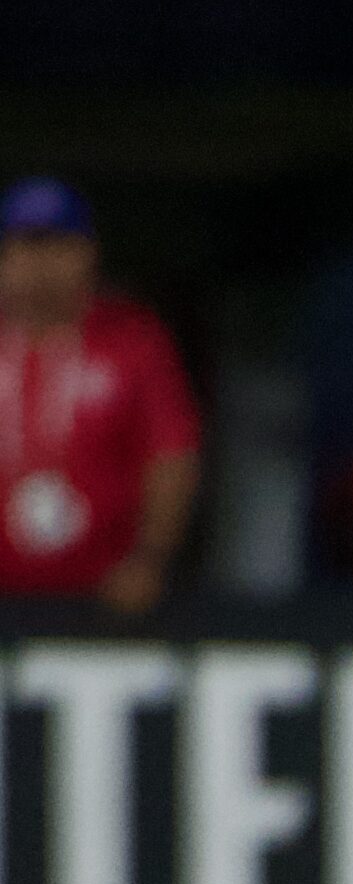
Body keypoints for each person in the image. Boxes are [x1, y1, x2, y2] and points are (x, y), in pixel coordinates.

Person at [0, 177, 199, 610]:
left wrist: (150, 559)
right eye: (26, 247)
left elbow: (170, 456)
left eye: (57, 246)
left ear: (87, 252)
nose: (41, 265)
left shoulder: (133, 339)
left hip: (105, 604)